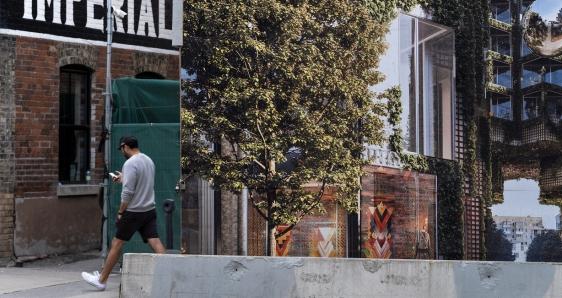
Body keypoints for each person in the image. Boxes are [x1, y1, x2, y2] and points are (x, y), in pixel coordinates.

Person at [82, 134, 166, 291]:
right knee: (155, 242)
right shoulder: (148, 160)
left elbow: (128, 192)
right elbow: (142, 182)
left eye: (122, 149)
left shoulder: (130, 163)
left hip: (133, 211)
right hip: (149, 210)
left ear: (126, 147)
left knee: (116, 243)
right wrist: (124, 178)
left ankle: (101, 280)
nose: (122, 152)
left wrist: (121, 212)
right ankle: (170, 275)